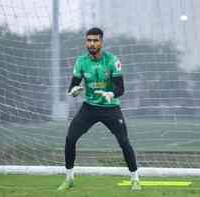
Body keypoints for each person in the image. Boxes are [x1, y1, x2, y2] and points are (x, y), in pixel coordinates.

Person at [57, 27, 141, 191]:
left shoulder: (112, 60)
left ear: (101, 42)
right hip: (89, 108)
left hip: (110, 108)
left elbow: (121, 89)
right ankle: (69, 179)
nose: (92, 44)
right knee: (70, 139)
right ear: (86, 42)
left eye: (95, 40)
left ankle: (135, 179)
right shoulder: (81, 61)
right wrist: (74, 91)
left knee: (124, 142)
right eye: (89, 40)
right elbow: (72, 87)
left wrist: (111, 93)